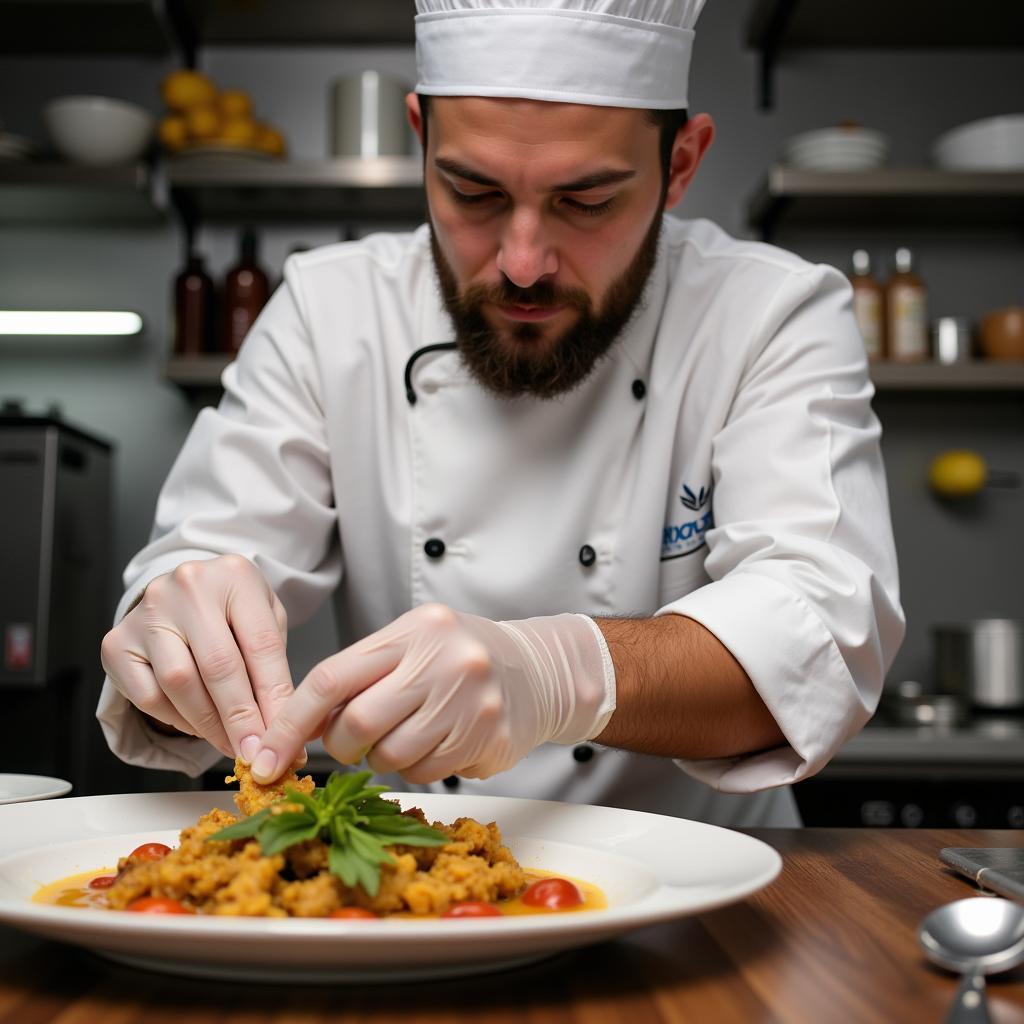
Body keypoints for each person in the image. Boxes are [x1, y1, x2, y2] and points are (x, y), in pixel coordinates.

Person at [98, 0, 905, 826]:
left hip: (712, 901)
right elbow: (210, 555)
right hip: (412, 894)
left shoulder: (771, 313)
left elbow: (819, 634)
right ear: (421, 140)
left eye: (587, 201)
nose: (523, 263)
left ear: (682, 163)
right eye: (472, 191)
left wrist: (556, 673)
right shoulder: (327, 308)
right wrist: (177, 631)